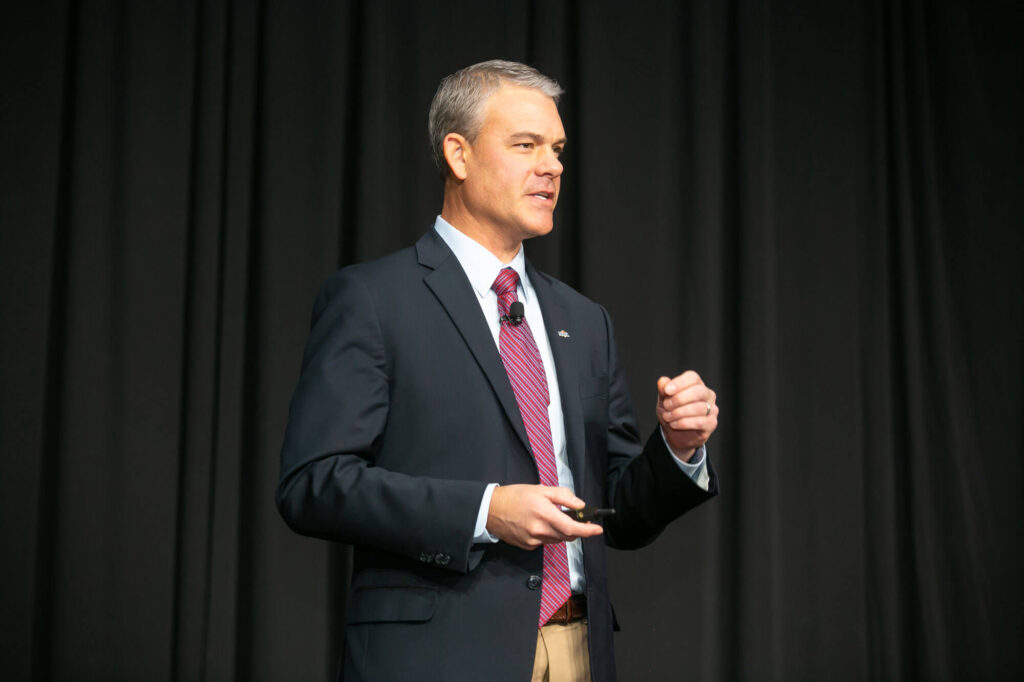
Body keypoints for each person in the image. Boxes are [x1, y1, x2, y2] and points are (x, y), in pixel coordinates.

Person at [277, 59, 720, 682]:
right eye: (526, 145)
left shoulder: (585, 320)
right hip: (439, 657)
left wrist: (675, 450)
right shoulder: (374, 300)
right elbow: (313, 484)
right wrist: (486, 512)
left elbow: (615, 510)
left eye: (559, 148)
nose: (554, 166)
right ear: (458, 154)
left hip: (577, 652)